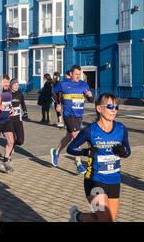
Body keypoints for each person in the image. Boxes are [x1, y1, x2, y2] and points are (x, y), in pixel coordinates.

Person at [67, 93, 131, 222]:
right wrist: (86, 152)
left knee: (109, 220)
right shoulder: (90, 131)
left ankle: (77, 217)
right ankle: (77, 216)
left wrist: (123, 152)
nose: (114, 110)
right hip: (94, 180)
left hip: (114, 180)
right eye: (110, 106)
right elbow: (71, 149)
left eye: (116, 107)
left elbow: (128, 151)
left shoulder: (121, 128)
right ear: (99, 108)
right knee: (105, 220)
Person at [50, 65, 94, 174]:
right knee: (77, 137)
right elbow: (53, 92)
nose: (78, 76)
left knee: (69, 136)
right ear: (71, 74)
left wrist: (90, 95)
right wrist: (58, 103)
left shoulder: (84, 85)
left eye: (79, 74)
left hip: (79, 115)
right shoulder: (64, 84)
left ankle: (56, 151)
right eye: (76, 74)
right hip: (68, 115)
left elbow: (91, 99)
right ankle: (78, 164)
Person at [10, 79, 27, 148]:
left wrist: (25, 111)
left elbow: (22, 103)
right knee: (12, 138)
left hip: (18, 119)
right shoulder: (7, 93)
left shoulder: (19, 93)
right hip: (9, 119)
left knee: (20, 141)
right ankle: (9, 150)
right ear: (11, 85)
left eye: (18, 85)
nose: (17, 86)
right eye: (15, 85)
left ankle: (12, 144)